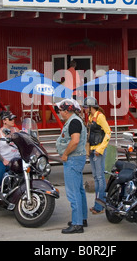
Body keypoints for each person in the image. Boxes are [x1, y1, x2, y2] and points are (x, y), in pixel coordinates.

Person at [55, 99, 88, 234]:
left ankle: (77, 224)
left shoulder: (74, 122)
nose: (60, 113)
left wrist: (65, 154)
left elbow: (74, 141)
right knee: (79, 190)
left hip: (73, 159)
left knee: (73, 192)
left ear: (67, 111)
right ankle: (82, 218)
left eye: (61, 111)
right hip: (77, 158)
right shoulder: (75, 120)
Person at [83, 96, 111, 214]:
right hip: (93, 150)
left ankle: (100, 206)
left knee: (100, 178)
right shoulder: (90, 117)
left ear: (90, 107)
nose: (84, 109)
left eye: (86, 107)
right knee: (96, 178)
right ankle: (97, 205)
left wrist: (101, 148)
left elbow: (108, 132)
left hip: (99, 150)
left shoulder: (100, 117)